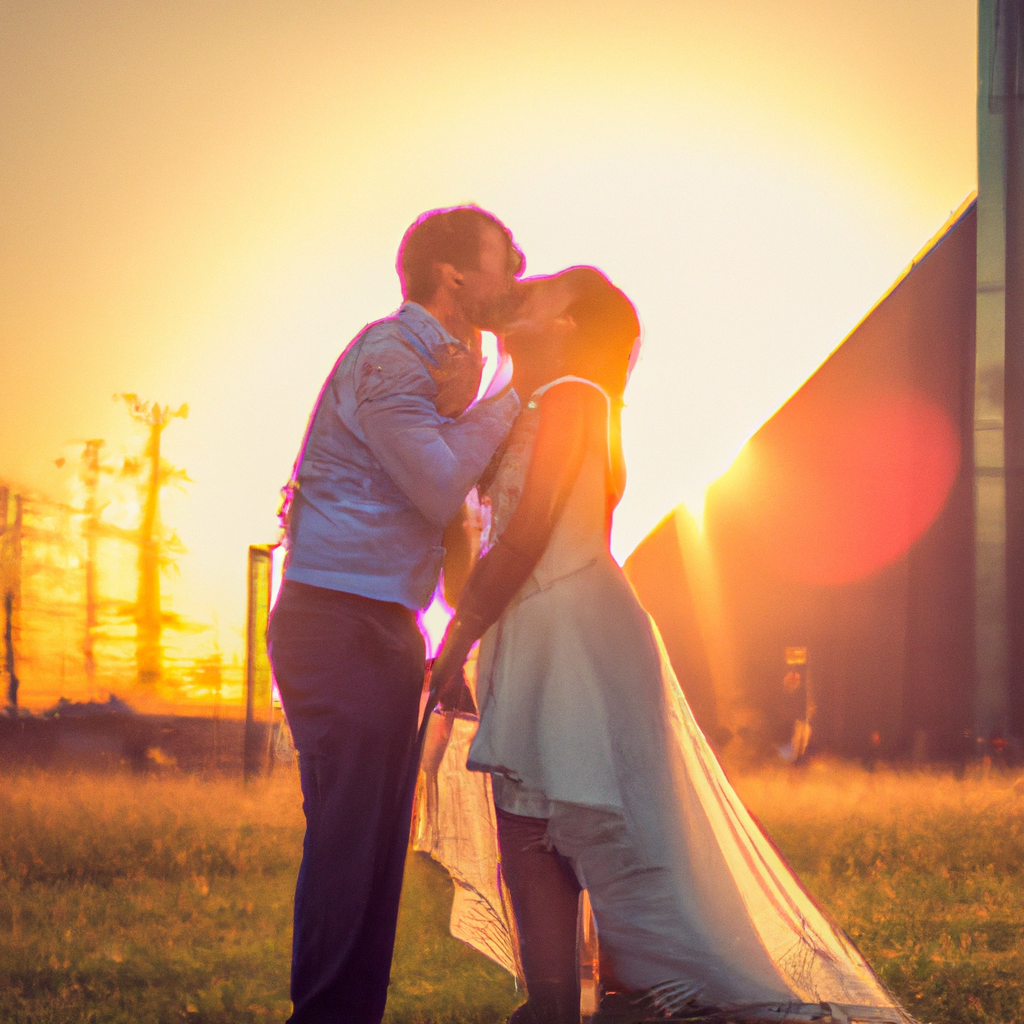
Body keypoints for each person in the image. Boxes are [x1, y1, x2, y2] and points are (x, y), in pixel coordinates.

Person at [428, 268, 911, 1024]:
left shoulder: (576, 399)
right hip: (526, 633)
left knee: (600, 824)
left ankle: (655, 994)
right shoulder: (524, 410)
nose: (524, 287)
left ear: (568, 326)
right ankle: (552, 1002)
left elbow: (528, 538)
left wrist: (456, 640)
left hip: (576, 636)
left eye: (543, 290)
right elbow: (478, 552)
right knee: (526, 815)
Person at [268, 205, 524, 1024]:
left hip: (382, 625)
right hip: (338, 622)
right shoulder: (388, 355)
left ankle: (350, 1013)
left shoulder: (444, 367)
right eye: (504, 260)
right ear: (454, 274)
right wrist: (520, 393)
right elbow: (440, 485)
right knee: (350, 837)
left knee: (376, 843)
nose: (516, 273)